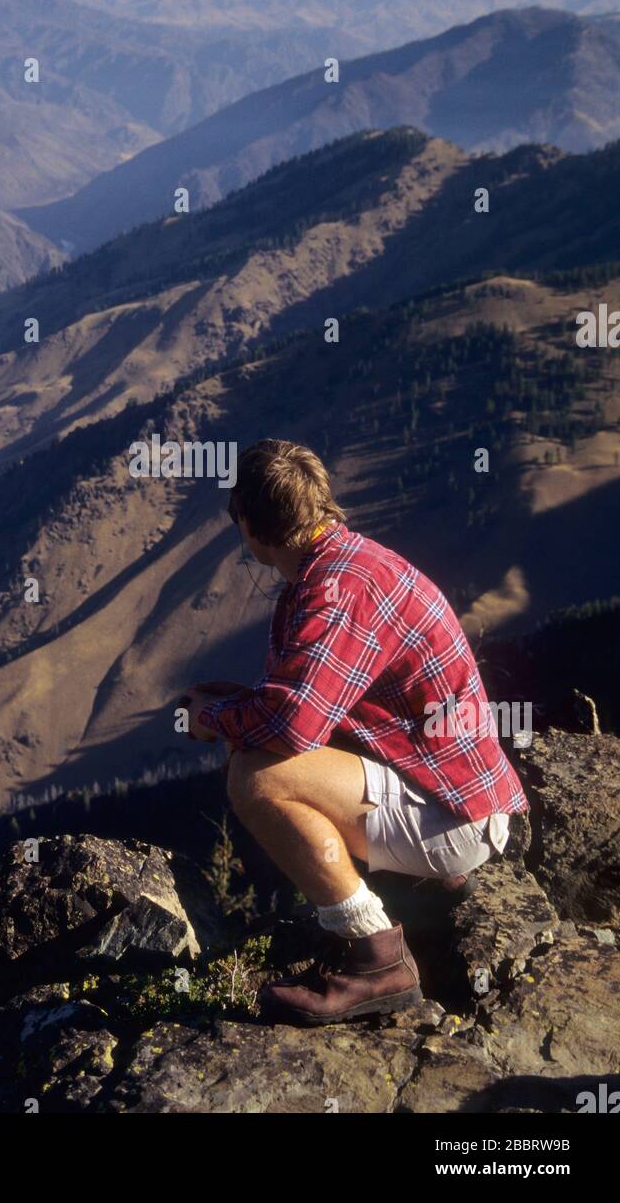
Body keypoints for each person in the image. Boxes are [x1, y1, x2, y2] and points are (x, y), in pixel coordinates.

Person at [180, 439, 528, 1026]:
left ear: (251, 524)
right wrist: (243, 703)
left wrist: (213, 721)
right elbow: (317, 704)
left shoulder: (337, 591)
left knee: (257, 776)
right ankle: (420, 890)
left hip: (457, 820)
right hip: (456, 795)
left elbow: (292, 727)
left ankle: (378, 962)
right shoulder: (348, 564)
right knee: (266, 745)